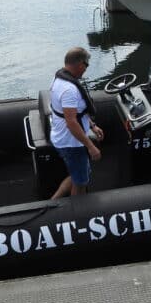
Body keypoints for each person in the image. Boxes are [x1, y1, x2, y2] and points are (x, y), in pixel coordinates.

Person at [50, 47, 104, 198]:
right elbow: (71, 123)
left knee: (78, 175)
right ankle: (76, 209)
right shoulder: (69, 90)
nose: (86, 69)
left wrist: (92, 126)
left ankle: (53, 201)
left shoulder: (59, 79)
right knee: (80, 183)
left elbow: (78, 111)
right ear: (80, 64)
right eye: (86, 65)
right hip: (71, 144)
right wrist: (91, 147)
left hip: (65, 139)